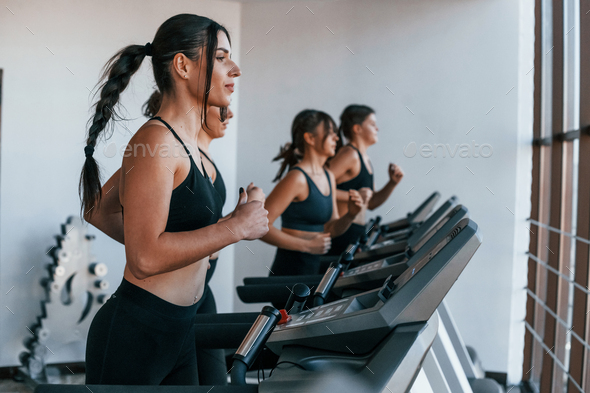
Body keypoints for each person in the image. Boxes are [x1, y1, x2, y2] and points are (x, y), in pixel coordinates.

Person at [79, 14, 268, 385]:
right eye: (222, 57)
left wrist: (216, 233)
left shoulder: (186, 146)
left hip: (181, 327)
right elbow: (145, 258)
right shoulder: (156, 142)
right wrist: (233, 228)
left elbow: (98, 210)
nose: (236, 69)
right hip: (137, 331)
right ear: (182, 65)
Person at [260, 109, 366, 276]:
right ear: (310, 138)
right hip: (290, 270)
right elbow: (260, 226)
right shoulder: (297, 178)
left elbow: (331, 229)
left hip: (312, 268)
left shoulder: (328, 176)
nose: (337, 139)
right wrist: (306, 246)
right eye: (330, 134)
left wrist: (350, 216)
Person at [327, 105, 404, 255]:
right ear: (357, 129)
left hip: (354, 231)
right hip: (341, 232)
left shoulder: (365, 160)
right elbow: (317, 186)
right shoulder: (349, 154)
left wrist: (392, 183)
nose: (377, 129)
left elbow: (371, 203)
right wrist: (354, 197)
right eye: (373, 124)